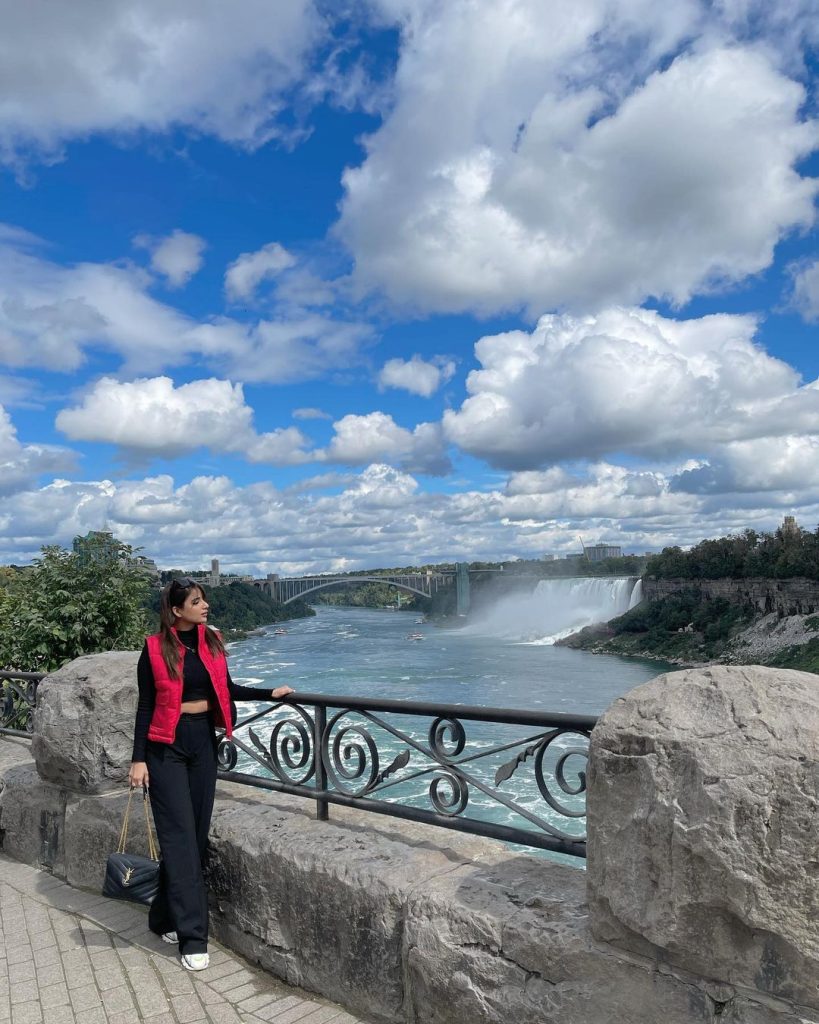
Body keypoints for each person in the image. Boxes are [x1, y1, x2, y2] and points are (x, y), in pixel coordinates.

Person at [128, 577, 294, 972]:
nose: (205, 607)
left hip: (203, 742)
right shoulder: (153, 650)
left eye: (204, 600)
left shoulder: (212, 642)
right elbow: (145, 706)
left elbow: (227, 688)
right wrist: (138, 761)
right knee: (179, 837)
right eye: (197, 601)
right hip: (165, 747)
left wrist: (268, 693)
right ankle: (192, 936)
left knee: (195, 836)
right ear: (176, 609)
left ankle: (162, 916)